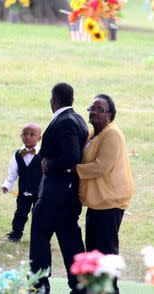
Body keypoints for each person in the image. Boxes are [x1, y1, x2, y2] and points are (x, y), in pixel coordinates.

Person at [29, 82, 88, 294]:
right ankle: (81, 285)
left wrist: (49, 164)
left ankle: (39, 285)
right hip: (67, 193)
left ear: (53, 100)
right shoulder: (78, 119)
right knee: (70, 240)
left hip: (55, 193)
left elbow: (71, 155)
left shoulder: (65, 122)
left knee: (40, 240)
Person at [73, 94, 134, 293]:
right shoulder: (94, 133)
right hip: (97, 202)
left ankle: (110, 290)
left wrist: (73, 169)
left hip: (110, 201)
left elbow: (101, 166)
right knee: (94, 251)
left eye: (100, 109)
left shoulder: (112, 134)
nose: (94, 112)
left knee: (106, 253)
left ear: (110, 114)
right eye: (92, 108)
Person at [1, 123, 42, 242]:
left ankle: (39, 236)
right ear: (21, 136)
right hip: (23, 189)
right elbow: (13, 171)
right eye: (25, 134)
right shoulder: (18, 154)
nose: (28, 137)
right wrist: (8, 184)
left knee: (39, 214)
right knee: (20, 213)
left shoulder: (43, 153)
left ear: (39, 138)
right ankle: (16, 233)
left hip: (39, 191)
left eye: (32, 135)